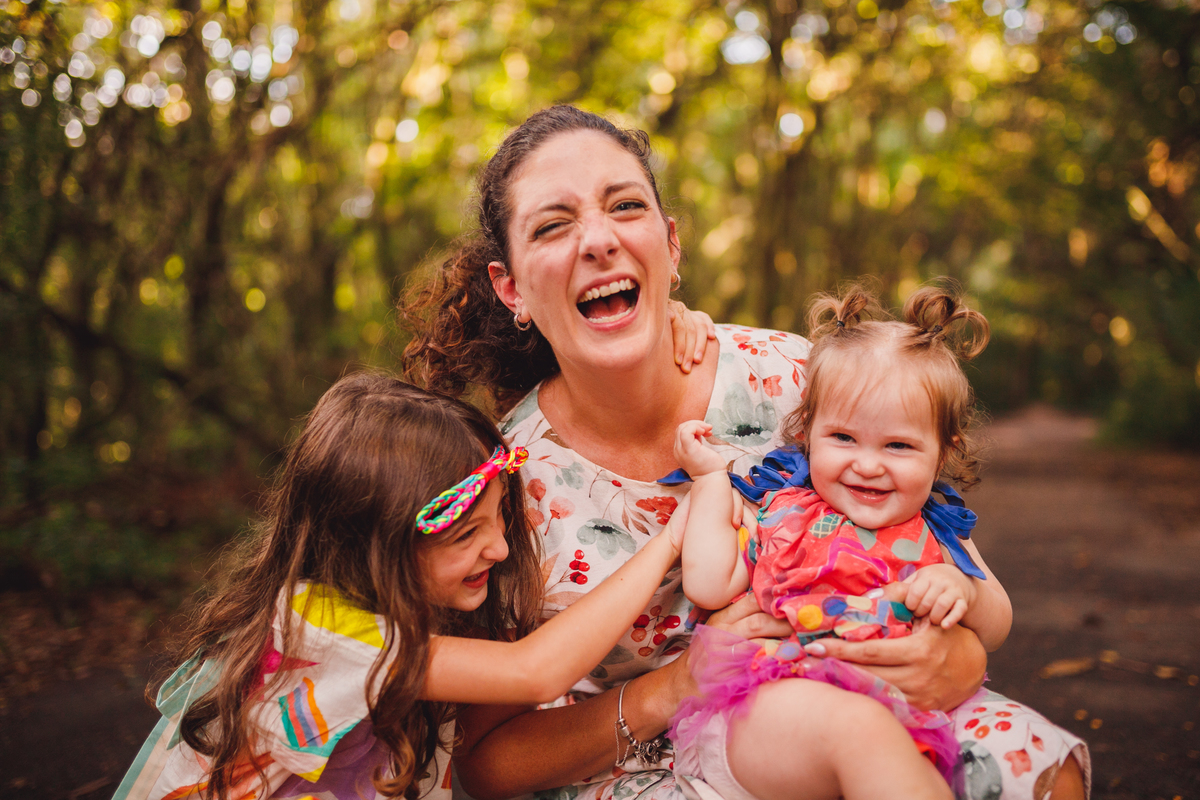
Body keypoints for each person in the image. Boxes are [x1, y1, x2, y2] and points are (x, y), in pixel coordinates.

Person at [400, 105, 1089, 800]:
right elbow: (485, 764)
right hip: (632, 769)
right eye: (554, 225)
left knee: (1038, 769)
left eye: (625, 206)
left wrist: (958, 656)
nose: (599, 240)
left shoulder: (795, 379)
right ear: (511, 286)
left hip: (857, 702)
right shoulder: (502, 485)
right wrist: (671, 688)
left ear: (670, 247)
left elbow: (953, 571)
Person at [112, 373, 689, 800]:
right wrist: (669, 541)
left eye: (500, 521)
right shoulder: (323, 625)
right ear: (376, 542)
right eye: (466, 533)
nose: (501, 548)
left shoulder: (403, 608)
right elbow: (532, 671)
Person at [669, 285, 1013, 800]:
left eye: (898, 445)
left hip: (900, 706)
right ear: (809, 432)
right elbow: (707, 583)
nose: (868, 464)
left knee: (1012, 753)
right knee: (866, 743)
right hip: (768, 707)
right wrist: (711, 481)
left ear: (943, 454)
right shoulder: (782, 511)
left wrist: (962, 588)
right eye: (844, 438)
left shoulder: (933, 525)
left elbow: (997, 624)